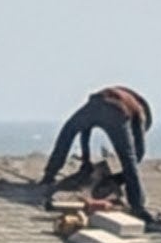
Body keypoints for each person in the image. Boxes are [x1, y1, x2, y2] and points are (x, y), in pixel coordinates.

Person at [41, 85, 153, 219]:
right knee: (128, 159)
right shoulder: (139, 111)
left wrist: (86, 160)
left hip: (95, 103)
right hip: (116, 111)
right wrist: (119, 178)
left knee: (68, 133)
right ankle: (137, 206)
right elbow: (139, 153)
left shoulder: (118, 95)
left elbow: (85, 131)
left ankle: (49, 175)